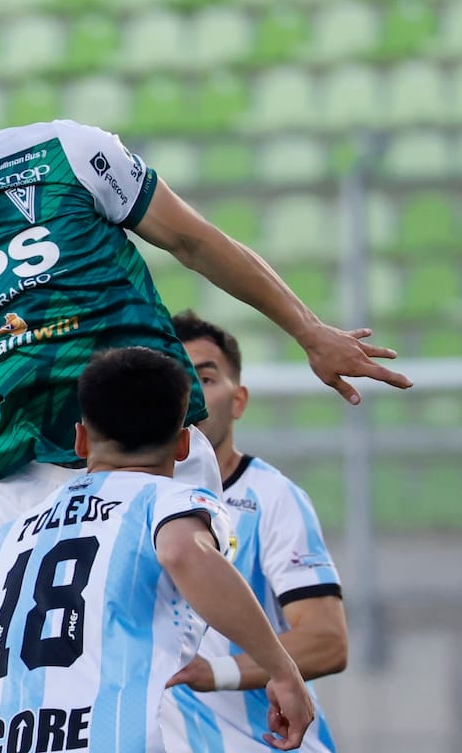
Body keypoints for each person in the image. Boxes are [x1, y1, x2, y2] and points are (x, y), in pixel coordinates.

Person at [0, 66, 411, 640]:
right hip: (27, 482)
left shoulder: (62, 153)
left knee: (124, 653)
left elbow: (194, 240)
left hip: (140, 452)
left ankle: (273, 679)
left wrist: (307, 329)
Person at [0, 347, 314, 752]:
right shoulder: (169, 502)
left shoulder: (6, 535)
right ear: (183, 445)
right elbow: (181, 552)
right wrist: (281, 669)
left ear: (81, 440)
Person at [161, 311, 347, 752]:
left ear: (238, 399)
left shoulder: (272, 497)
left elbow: (327, 641)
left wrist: (218, 672)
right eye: (175, 379)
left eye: (204, 378)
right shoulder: (127, 504)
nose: (190, 397)